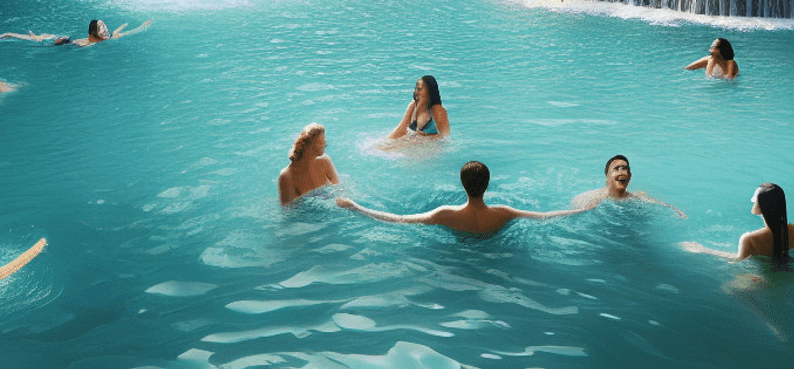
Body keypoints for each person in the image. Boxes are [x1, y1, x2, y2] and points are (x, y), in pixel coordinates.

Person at [336, 160, 582, 236]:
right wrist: (582, 211)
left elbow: (399, 219)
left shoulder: (445, 215)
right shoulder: (503, 213)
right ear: (487, 185)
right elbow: (546, 217)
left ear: (462, 185)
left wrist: (355, 206)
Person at [681, 183, 794, 262]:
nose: (753, 201)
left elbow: (737, 260)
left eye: (755, 199)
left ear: (762, 206)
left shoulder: (750, 239)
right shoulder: (792, 230)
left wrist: (703, 250)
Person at [572, 154, 686, 215]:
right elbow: (582, 210)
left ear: (630, 176)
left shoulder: (634, 197)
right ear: (607, 177)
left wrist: (675, 210)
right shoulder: (595, 198)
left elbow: (655, 203)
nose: (622, 172)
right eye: (616, 169)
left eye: (624, 169)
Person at [279, 123, 340, 203]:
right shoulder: (286, 175)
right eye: (321, 142)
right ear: (310, 147)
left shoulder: (324, 160)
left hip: (329, 202)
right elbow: (288, 209)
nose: (325, 144)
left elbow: (338, 188)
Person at [0, 18, 153, 46]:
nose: (105, 31)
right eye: (101, 30)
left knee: (42, 37)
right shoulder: (84, 44)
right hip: (65, 42)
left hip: (67, 41)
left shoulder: (107, 38)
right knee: (38, 39)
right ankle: (9, 34)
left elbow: (127, 33)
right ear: (92, 35)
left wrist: (142, 26)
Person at [387, 75, 450, 139]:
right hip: (413, 143)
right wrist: (387, 141)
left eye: (419, 89)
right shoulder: (414, 105)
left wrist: (424, 137)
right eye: (416, 88)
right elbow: (401, 128)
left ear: (429, 91)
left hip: (428, 146)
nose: (416, 92)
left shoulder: (437, 109)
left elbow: (445, 137)